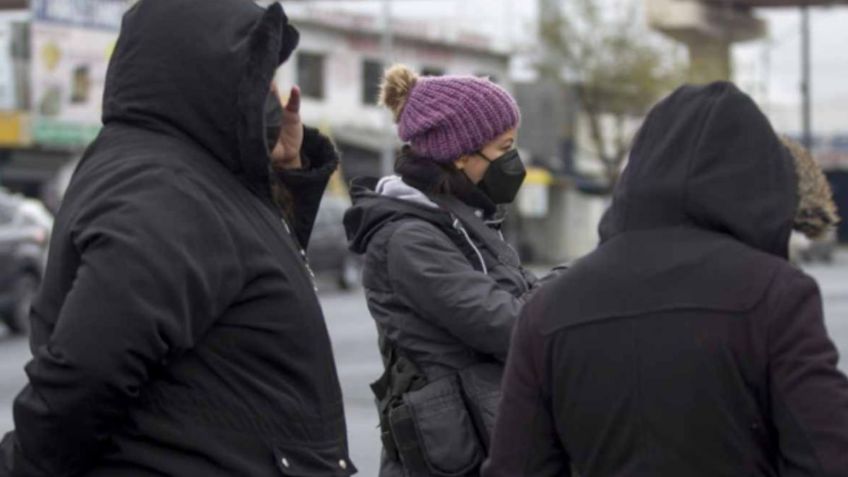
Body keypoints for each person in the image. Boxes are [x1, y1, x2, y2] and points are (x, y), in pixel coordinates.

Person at [0, 1, 355, 476]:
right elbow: (86, 374)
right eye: (257, 72)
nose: (271, 90)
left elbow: (246, 280)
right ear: (204, 70)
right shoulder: (162, 186)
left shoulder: (193, 172)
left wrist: (282, 177)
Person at [483, 82, 848, 477]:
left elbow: (515, 467)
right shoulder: (775, 295)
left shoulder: (548, 308)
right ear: (764, 183)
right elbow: (826, 458)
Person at [344, 65, 555, 477]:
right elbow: (507, 324)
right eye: (504, 147)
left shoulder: (465, 223)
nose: (514, 161)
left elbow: (524, 296)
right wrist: (582, 288)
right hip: (451, 455)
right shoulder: (408, 239)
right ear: (461, 155)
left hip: (482, 436)